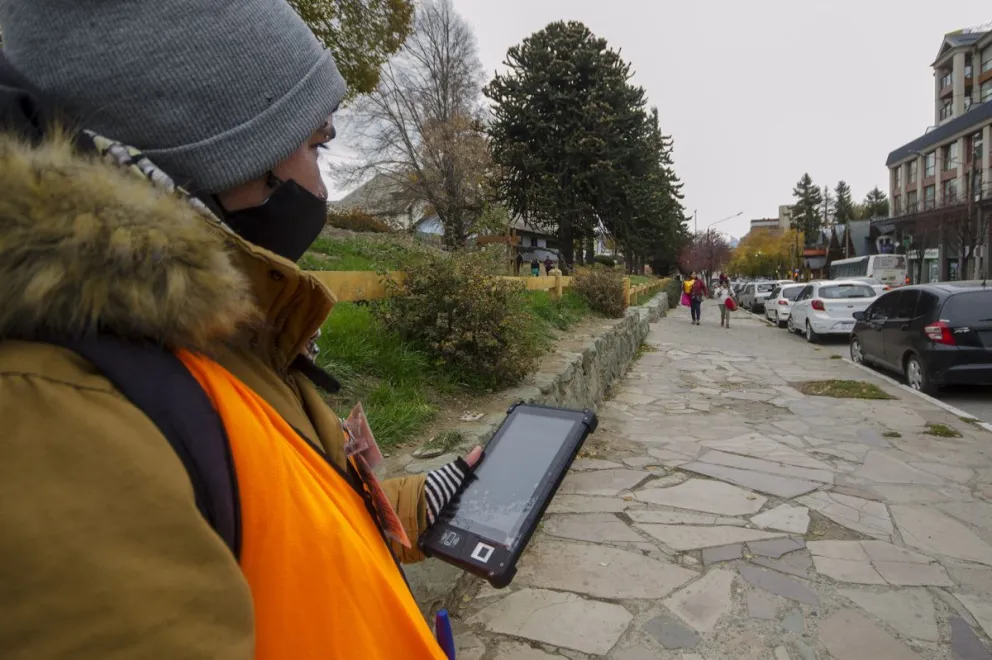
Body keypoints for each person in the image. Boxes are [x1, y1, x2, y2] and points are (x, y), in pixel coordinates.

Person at [0, 2, 480, 658]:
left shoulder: (212, 337)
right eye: (314, 146)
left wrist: (429, 502)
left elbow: (285, 525)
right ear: (218, 154)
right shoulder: (59, 420)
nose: (321, 186)